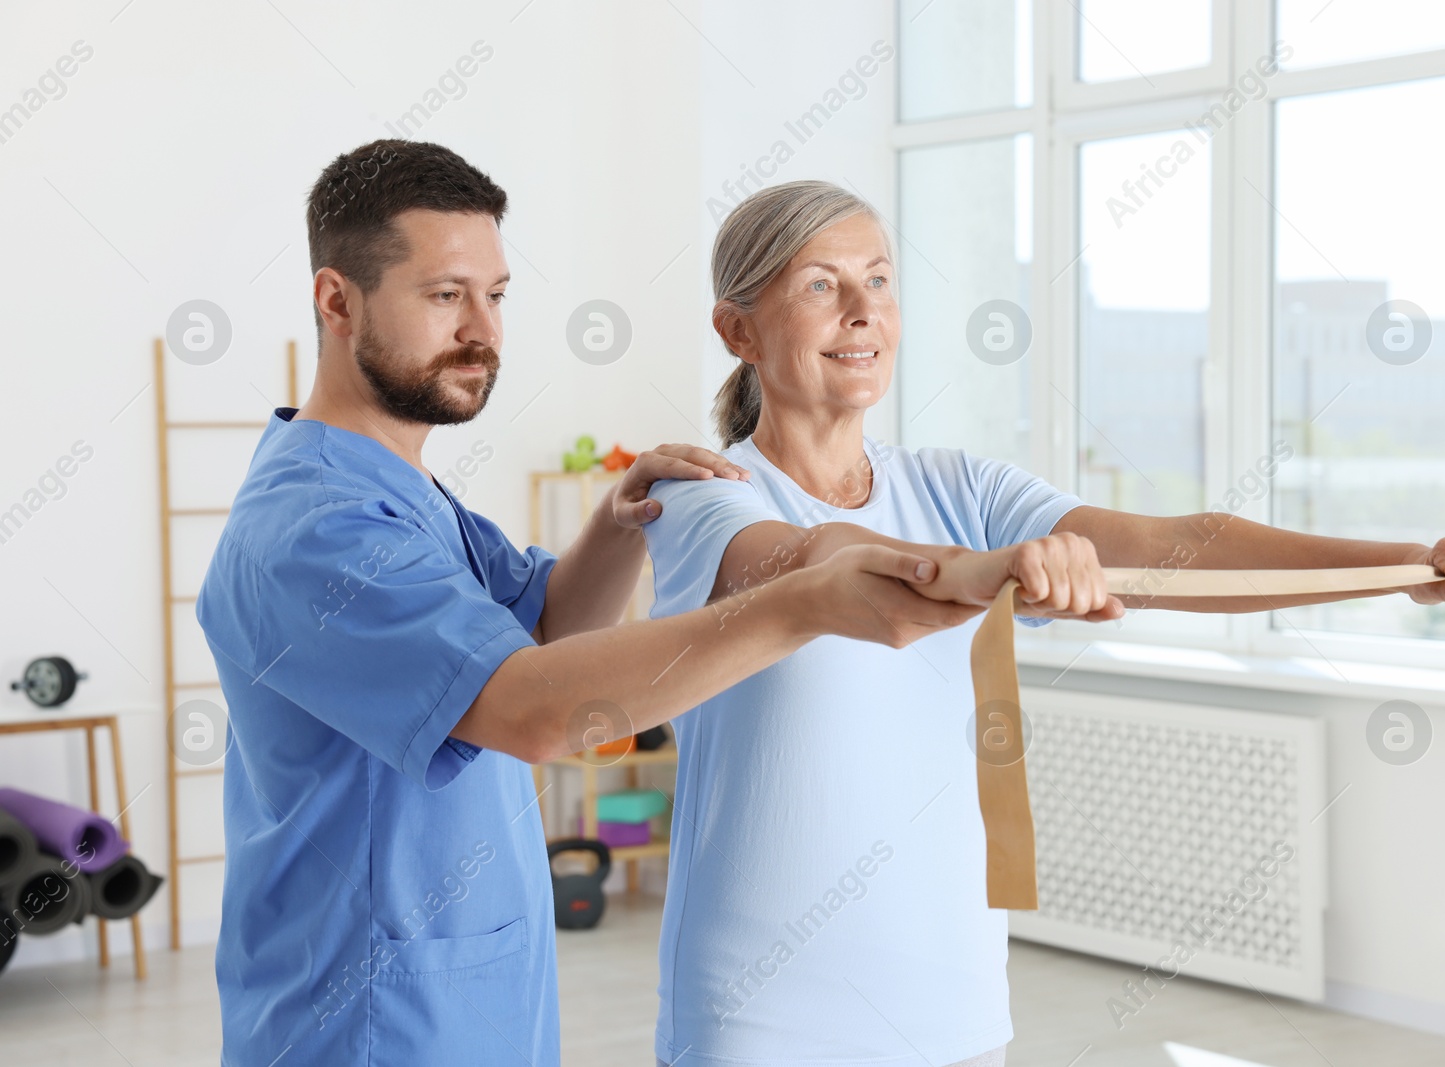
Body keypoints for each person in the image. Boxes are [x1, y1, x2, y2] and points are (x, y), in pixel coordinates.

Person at [640, 179, 1445, 1067]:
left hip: (954, 1008)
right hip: (762, 1016)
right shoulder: (702, 492)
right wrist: (995, 568)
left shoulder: (962, 488)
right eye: (823, 286)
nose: (865, 312)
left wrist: (1402, 563)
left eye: (881, 280)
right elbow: (827, 565)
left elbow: (1172, 547)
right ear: (737, 329)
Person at [194, 143, 988, 1066]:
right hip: (369, 1023)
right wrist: (801, 604)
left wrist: (618, 523)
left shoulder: (405, 494)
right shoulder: (314, 529)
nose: (482, 329)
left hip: (468, 1007)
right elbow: (533, 708)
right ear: (337, 301)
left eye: (496, 295)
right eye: (446, 295)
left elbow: (543, 628)